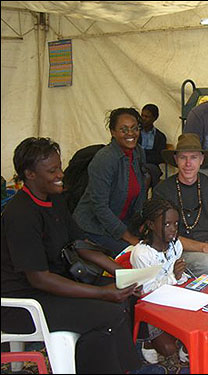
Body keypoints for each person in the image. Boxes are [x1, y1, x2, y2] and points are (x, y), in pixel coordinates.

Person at [0, 137, 160, 374]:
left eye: (60, 166)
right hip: (26, 303)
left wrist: (122, 273)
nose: (61, 174)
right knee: (110, 311)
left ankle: (126, 367)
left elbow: (80, 244)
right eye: (52, 170)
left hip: (54, 285)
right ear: (30, 174)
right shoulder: (20, 215)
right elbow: (39, 279)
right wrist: (102, 293)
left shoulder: (54, 200)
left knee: (126, 295)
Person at [153, 133, 208, 279]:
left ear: (201, 159)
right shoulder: (163, 190)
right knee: (207, 263)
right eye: (183, 157)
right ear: (176, 160)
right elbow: (166, 235)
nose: (188, 164)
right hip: (178, 249)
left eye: (194, 157)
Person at [73, 107, 148, 257]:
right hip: (94, 227)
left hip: (123, 223)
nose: (131, 134)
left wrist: (142, 223)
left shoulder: (138, 152)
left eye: (135, 128)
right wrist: (129, 237)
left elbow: (140, 192)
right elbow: (99, 206)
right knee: (138, 255)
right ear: (113, 132)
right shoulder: (105, 159)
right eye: (124, 130)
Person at [127, 198, 189, 364]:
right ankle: (146, 340)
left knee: (196, 326)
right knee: (169, 350)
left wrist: (181, 277)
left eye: (176, 224)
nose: (173, 229)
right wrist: (173, 277)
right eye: (167, 224)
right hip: (150, 305)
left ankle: (181, 339)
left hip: (171, 299)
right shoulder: (142, 254)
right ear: (151, 225)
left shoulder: (177, 245)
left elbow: (179, 279)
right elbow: (146, 291)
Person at [139, 104, 167, 189]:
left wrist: (143, 155)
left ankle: (146, 200)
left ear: (154, 118)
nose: (143, 119)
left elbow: (160, 157)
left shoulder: (160, 136)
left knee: (147, 174)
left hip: (151, 165)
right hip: (135, 163)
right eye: (142, 115)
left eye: (147, 116)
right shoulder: (135, 132)